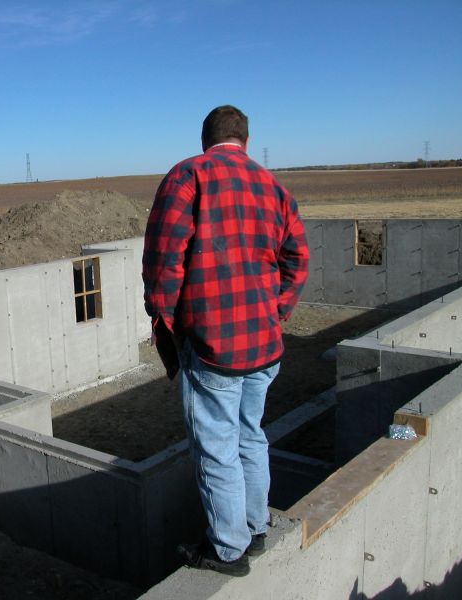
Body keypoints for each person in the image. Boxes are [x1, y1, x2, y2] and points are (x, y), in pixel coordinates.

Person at [142, 105, 309, 576]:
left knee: (216, 446)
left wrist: (172, 324)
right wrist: (275, 312)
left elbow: (162, 263)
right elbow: (297, 258)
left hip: (214, 346)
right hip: (263, 345)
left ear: (204, 140)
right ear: (246, 141)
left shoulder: (188, 177)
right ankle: (254, 527)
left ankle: (229, 550)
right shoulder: (274, 186)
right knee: (250, 436)